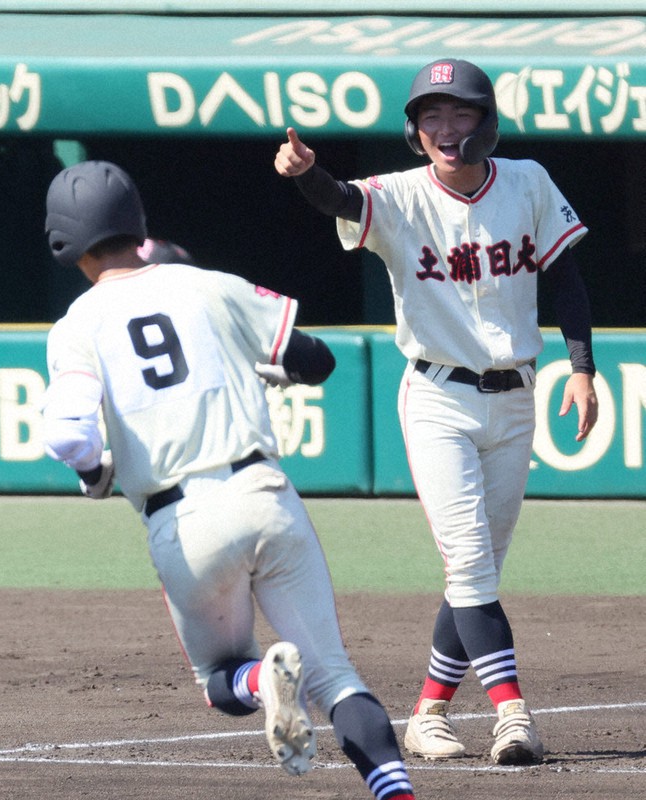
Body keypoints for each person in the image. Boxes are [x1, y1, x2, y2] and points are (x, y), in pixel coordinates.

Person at [41, 159, 417, 800]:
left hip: (181, 524)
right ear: (139, 226)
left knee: (220, 679)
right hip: (263, 496)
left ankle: (259, 683)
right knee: (336, 680)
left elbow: (69, 434)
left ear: (64, 242)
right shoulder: (205, 284)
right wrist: (276, 372)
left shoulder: (77, 324)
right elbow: (316, 358)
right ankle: (397, 792)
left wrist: (94, 471)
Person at [274, 58, 599, 765]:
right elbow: (341, 200)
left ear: (486, 120)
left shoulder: (528, 181)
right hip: (438, 399)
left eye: (459, 114)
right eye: (431, 117)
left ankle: (426, 713)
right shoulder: (398, 194)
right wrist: (305, 174)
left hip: (515, 400)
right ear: (415, 131)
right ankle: (514, 715)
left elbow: (565, 277)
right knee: (473, 568)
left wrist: (581, 369)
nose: (445, 129)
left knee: (474, 576)